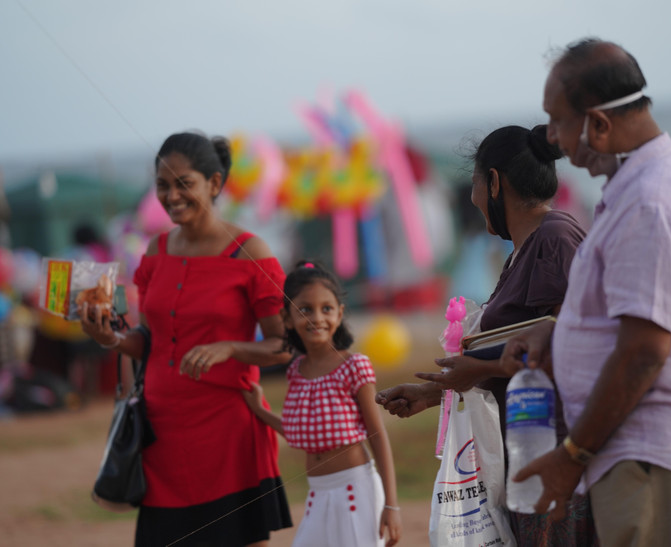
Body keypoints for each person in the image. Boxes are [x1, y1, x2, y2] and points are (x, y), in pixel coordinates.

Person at [500, 38, 671, 546]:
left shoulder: (652, 202)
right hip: (658, 460)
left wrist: (572, 455)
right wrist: (558, 333)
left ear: (598, 124)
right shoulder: (637, 189)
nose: (552, 137)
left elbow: (644, 352)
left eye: (558, 121)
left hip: (663, 463)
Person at [377, 125, 593, 545]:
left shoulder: (554, 239)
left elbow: (572, 346)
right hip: (529, 453)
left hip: (559, 457)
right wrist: (434, 392)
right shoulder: (524, 250)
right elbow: (518, 351)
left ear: (494, 182)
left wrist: (478, 368)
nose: (474, 200)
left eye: (475, 185)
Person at [80, 132, 293, 546]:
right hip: (162, 437)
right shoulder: (156, 250)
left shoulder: (250, 253)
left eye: (184, 183)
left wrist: (231, 347)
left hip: (230, 434)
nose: (171, 195)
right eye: (162, 185)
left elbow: (285, 345)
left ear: (214, 184)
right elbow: (150, 340)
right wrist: (110, 338)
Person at [243, 260, 402, 547]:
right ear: (287, 318)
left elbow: (377, 435)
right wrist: (260, 411)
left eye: (326, 308)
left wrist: (392, 505)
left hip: (355, 490)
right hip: (317, 493)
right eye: (305, 309)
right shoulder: (295, 371)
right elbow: (301, 430)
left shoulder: (353, 366)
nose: (317, 317)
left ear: (339, 314)